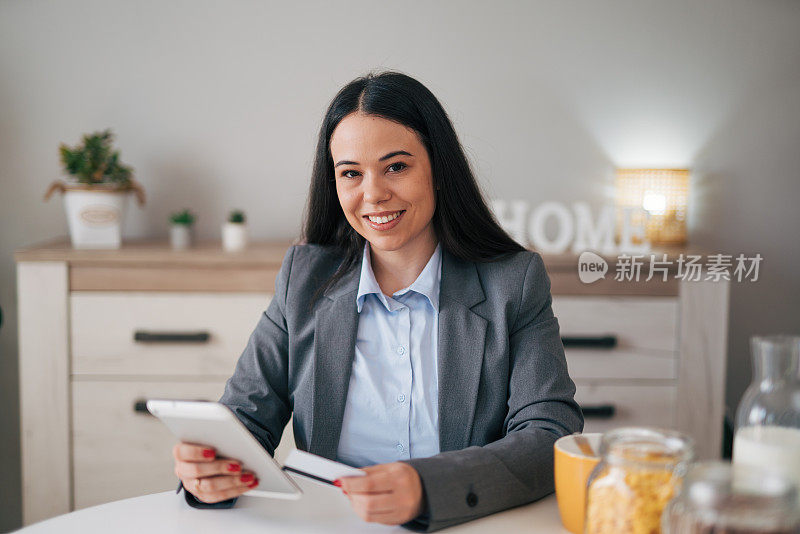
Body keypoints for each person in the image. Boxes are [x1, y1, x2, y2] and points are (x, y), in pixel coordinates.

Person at [171, 70, 583, 532]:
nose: (373, 194)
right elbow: (246, 418)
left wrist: (429, 487)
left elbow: (549, 433)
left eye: (396, 167)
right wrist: (209, 471)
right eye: (351, 173)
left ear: (438, 170)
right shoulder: (303, 279)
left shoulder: (514, 282)